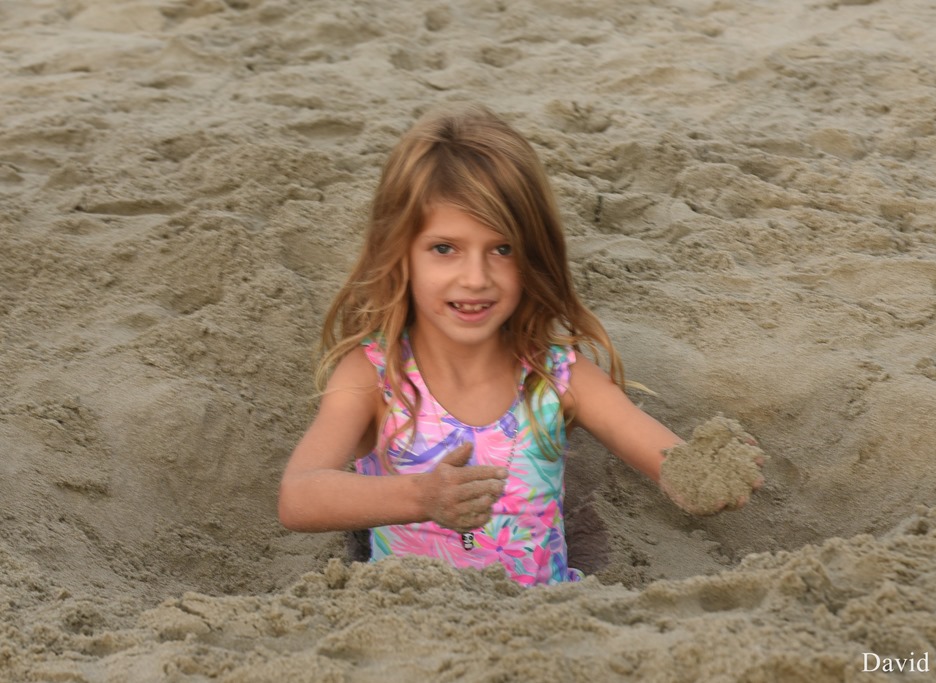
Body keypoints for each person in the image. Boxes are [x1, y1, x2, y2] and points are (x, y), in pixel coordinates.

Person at [278, 103, 759, 586]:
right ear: (400, 252)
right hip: (408, 617)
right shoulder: (376, 375)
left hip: (550, 618)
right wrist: (421, 497)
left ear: (533, 255)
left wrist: (707, 476)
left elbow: (669, 462)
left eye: (502, 249)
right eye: (444, 248)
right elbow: (298, 497)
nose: (475, 278)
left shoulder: (557, 376)